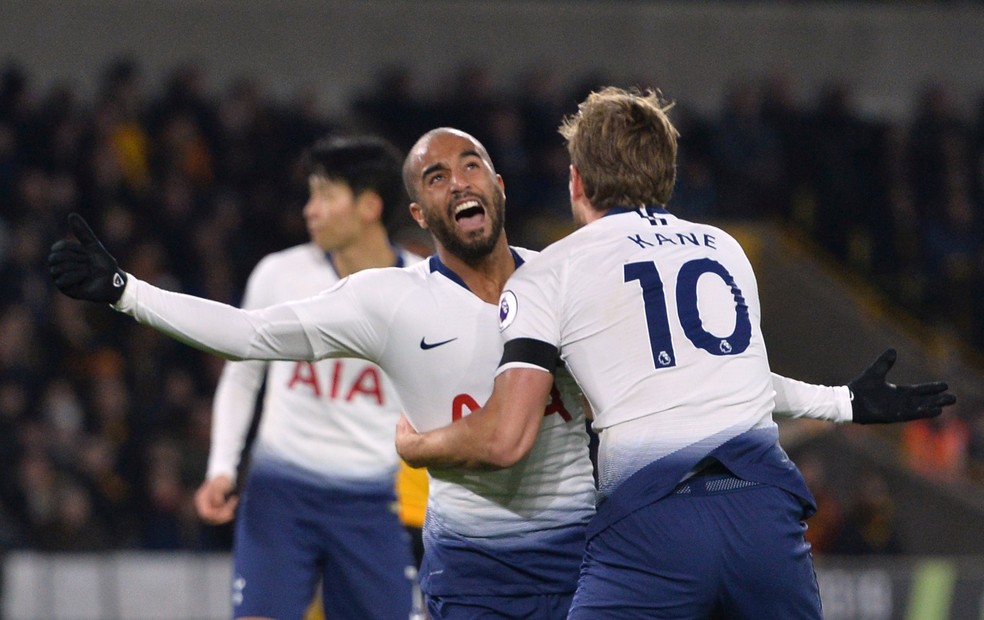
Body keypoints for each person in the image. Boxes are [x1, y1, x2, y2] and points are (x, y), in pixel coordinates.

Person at [49, 126, 953, 620]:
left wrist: (839, 401)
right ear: (417, 209)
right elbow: (249, 334)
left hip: (595, 561)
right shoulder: (386, 301)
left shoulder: (576, 280)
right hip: (473, 572)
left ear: (503, 184)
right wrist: (126, 291)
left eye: (473, 159)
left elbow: (716, 382)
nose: (460, 177)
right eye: (437, 174)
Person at [393, 89, 957, 618]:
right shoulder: (725, 247)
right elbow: (740, 382)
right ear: (667, 173)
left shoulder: (550, 273)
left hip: (652, 523)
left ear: (575, 181)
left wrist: (420, 444)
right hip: (762, 512)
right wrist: (843, 401)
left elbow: (507, 436)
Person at [192, 134, 420, 620]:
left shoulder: (423, 289)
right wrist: (222, 468)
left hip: (373, 502)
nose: (310, 210)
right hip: (280, 495)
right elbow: (242, 378)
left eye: (325, 195)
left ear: (369, 206)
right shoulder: (279, 276)